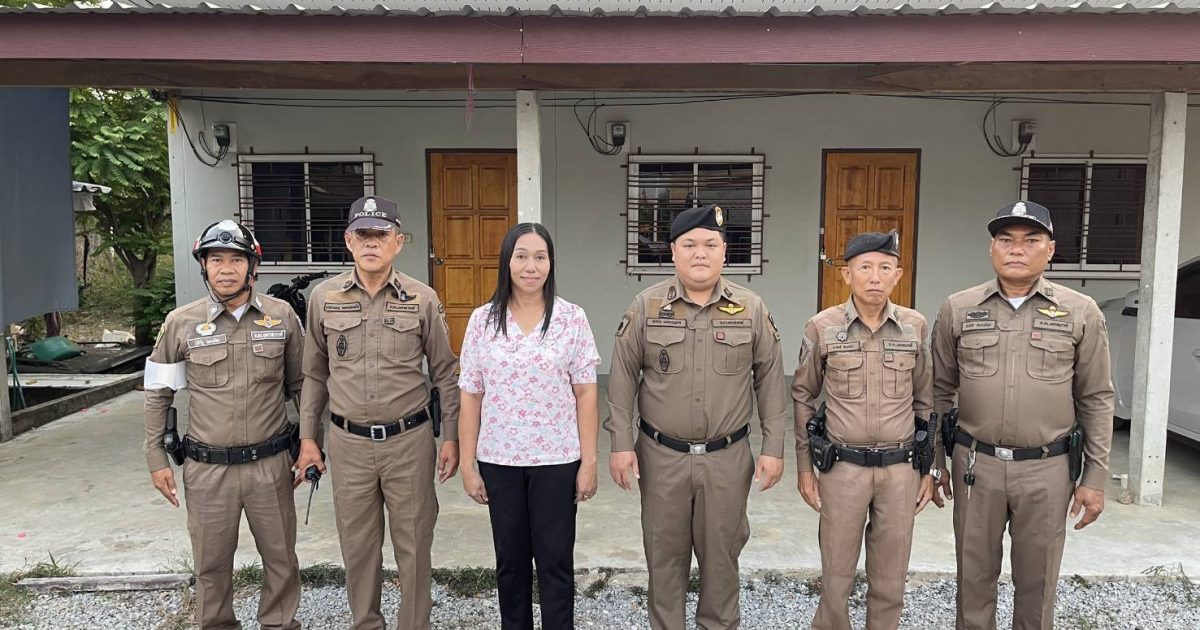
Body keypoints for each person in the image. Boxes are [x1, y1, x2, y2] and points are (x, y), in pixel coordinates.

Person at [930, 201, 1113, 630]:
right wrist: (935, 461)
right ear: (991, 248)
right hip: (976, 466)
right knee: (973, 577)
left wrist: (1095, 477)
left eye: (1031, 240)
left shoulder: (1080, 311)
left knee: (1038, 581)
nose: (1017, 249)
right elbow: (937, 391)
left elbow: (1096, 397)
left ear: (1051, 250)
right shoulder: (958, 308)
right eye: (1005, 239)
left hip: (1047, 469)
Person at [606, 204, 788, 630]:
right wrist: (620, 444)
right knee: (663, 561)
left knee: (722, 561)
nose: (700, 253)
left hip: (727, 459)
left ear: (725, 251)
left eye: (710, 244)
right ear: (673, 251)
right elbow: (622, 378)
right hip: (661, 457)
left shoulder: (751, 307)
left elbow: (770, 380)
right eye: (689, 244)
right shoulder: (647, 305)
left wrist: (774, 447)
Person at [293, 195, 460, 630]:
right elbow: (313, 376)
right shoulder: (323, 298)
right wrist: (309, 440)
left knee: (415, 545)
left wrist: (452, 438)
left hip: (409, 442)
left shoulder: (422, 299)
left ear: (398, 242)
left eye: (381, 234)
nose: (371, 243)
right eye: (362, 234)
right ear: (348, 240)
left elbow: (445, 373)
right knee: (358, 547)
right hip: (348, 445)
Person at [144, 220, 305, 630]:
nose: (226, 269)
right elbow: (159, 393)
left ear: (253, 266)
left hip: (270, 466)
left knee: (281, 559)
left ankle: (280, 624)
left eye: (237, 259)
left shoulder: (282, 316)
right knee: (211, 565)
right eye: (216, 259)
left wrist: (310, 443)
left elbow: (302, 386)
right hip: (207, 469)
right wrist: (155, 457)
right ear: (204, 266)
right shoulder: (180, 322)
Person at [457, 222, 601, 630]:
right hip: (499, 460)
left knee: (556, 564)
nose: (530, 267)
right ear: (507, 262)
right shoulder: (483, 320)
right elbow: (471, 395)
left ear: (551, 263)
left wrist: (589, 462)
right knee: (511, 564)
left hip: (557, 461)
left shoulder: (571, 318)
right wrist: (468, 464)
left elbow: (586, 393)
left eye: (540, 257)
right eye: (521, 256)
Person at [792, 230, 937, 630]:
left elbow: (926, 401)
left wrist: (929, 468)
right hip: (844, 469)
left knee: (891, 578)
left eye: (885, 268)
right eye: (866, 267)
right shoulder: (822, 327)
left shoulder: (915, 327)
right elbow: (803, 395)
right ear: (847, 274)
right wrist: (805, 468)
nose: (875, 277)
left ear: (898, 275)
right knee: (836, 576)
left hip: (901, 470)